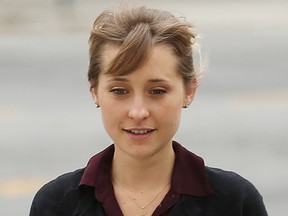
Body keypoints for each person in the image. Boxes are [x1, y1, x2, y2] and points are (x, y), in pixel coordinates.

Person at [29, 5, 268, 216]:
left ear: (189, 91)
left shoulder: (235, 202)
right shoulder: (56, 204)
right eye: (120, 91)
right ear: (94, 90)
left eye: (157, 91)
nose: (138, 112)